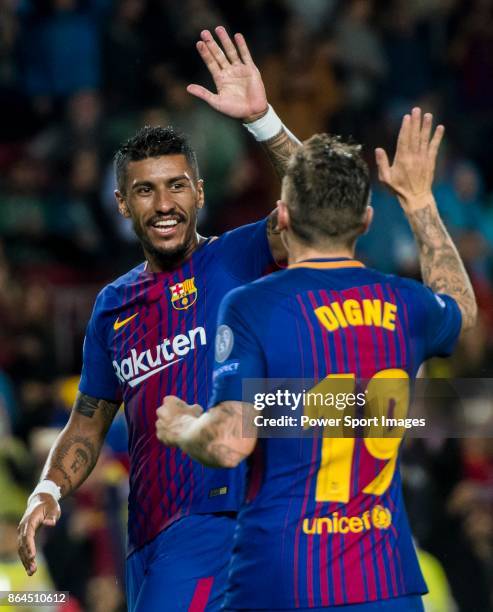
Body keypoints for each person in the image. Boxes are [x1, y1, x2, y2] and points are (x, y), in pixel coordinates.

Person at [17, 27, 300, 612]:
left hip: (223, 519)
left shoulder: (240, 254)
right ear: (122, 203)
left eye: (176, 186)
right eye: (145, 191)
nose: (164, 203)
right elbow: (89, 423)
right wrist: (48, 486)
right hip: (146, 537)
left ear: (199, 192)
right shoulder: (112, 306)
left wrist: (263, 121)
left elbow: (325, 204)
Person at [156, 108, 477, 611]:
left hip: (282, 581)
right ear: (367, 221)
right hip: (385, 585)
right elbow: (462, 306)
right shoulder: (408, 305)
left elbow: (228, 442)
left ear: (282, 217)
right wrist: (418, 201)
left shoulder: (254, 305)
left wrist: (182, 426)